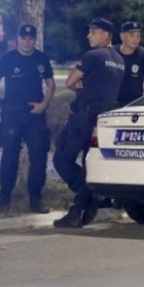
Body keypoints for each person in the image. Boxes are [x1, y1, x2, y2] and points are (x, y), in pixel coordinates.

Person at [52, 18, 125, 228]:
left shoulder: (93, 56)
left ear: (106, 35)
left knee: (62, 159)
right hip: (104, 119)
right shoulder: (119, 60)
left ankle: (88, 197)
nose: (88, 36)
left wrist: (82, 88)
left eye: (93, 32)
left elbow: (70, 81)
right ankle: (83, 204)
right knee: (89, 164)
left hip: (84, 117)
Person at [0, 24, 55, 215]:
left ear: (35, 40)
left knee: (39, 157)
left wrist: (44, 104)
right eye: (24, 38)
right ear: (18, 39)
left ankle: (36, 199)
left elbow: (51, 84)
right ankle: (4, 199)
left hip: (34, 114)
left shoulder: (41, 58)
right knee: (9, 156)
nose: (27, 42)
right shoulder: (8, 58)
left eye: (31, 39)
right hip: (12, 114)